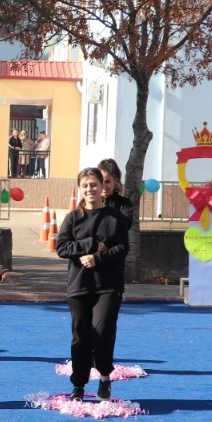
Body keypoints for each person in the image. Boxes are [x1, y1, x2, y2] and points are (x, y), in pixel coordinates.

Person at [56, 167, 129, 402]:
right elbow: (62, 247)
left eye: (94, 185)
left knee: (102, 333)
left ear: (102, 187)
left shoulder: (114, 218)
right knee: (81, 336)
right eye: (85, 185)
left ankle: (105, 376)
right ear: (80, 188)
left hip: (108, 286)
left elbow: (122, 248)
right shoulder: (73, 218)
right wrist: (93, 246)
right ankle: (78, 385)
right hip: (79, 286)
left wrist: (98, 258)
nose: (90, 189)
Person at [97, 158, 134, 230]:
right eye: (101, 181)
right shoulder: (90, 201)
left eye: (107, 182)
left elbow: (127, 224)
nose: (104, 186)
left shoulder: (124, 203)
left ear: (115, 180)